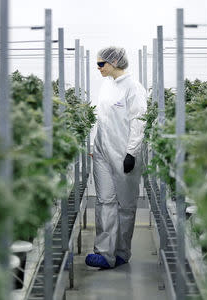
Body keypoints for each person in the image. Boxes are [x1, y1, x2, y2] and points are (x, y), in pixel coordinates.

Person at [85, 46, 147, 269]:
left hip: (123, 153)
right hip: (102, 151)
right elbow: (102, 117)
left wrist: (132, 152)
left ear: (114, 63)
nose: (98, 67)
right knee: (104, 201)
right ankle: (104, 253)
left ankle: (121, 252)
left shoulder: (134, 88)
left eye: (102, 64)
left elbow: (139, 121)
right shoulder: (107, 86)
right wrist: (95, 143)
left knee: (126, 204)